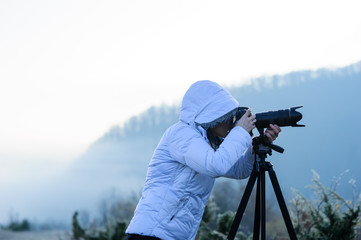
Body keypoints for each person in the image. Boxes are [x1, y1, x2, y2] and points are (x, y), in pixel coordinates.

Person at [126, 80, 281, 240]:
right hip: (151, 233)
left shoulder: (208, 143)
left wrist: (255, 147)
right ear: (212, 115)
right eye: (228, 116)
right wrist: (240, 131)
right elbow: (216, 165)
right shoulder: (181, 134)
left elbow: (239, 170)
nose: (231, 121)